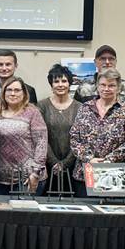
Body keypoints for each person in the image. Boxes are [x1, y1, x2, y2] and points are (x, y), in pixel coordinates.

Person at [69, 68, 125, 194]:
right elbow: (74, 138)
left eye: (111, 85)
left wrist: (108, 161)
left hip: (115, 174)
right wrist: (89, 158)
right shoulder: (85, 108)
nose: (106, 89)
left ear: (118, 88)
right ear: (97, 86)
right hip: (86, 173)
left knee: (112, 213)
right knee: (87, 212)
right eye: (103, 85)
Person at [74, 44, 125, 159]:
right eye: (102, 58)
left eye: (111, 58)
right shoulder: (84, 89)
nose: (107, 62)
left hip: (121, 162)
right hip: (89, 162)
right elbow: (76, 131)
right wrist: (87, 157)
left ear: (116, 61)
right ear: (95, 62)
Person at [0, 77, 48, 195]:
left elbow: (41, 142)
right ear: (3, 92)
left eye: (17, 90)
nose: (13, 93)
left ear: (24, 93)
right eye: (9, 90)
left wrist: (36, 172)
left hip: (27, 177)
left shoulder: (33, 112)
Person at [37, 64, 82, 195]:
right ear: (51, 84)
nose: (60, 84)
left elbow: (81, 138)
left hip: (73, 166)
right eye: (56, 81)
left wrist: (66, 163)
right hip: (47, 165)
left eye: (64, 81)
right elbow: (40, 137)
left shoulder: (80, 108)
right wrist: (54, 162)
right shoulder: (42, 106)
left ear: (70, 84)